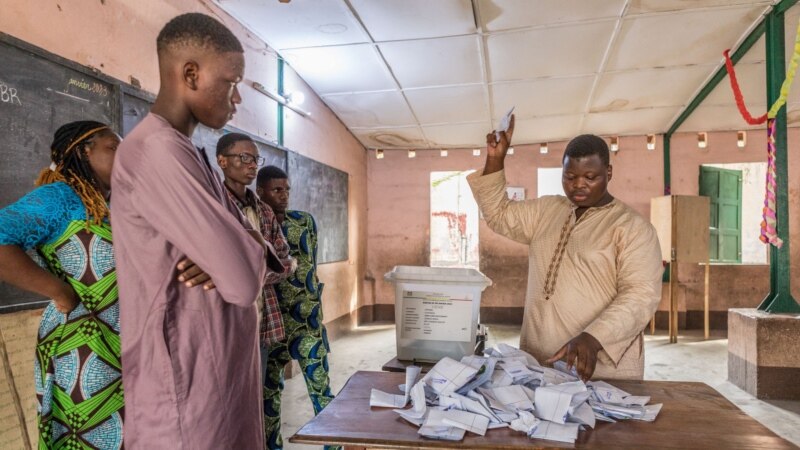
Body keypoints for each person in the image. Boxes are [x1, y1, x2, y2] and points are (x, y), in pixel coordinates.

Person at [111, 13, 283, 449]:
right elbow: (244, 282)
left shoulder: (192, 153)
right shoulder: (157, 152)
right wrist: (237, 254)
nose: (237, 97)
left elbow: (248, 256)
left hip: (216, 378)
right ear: (191, 74)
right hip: (186, 390)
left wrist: (236, 250)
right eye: (231, 82)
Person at [467, 116, 662, 381]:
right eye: (570, 176)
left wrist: (594, 338)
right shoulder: (548, 211)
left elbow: (641, 295)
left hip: (599, 368)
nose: (578, 185)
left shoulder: (632, 227)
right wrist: (495, 159)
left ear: (609, 173)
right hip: (539, 362)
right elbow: (499, 215)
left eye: (590, 177)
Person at [0, 121, 124, 449]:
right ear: (84, 151)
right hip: (82, 349)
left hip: (125, 343)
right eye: (114, 148)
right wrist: (59, 291)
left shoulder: (115, 204)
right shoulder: (60, 198)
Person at [257, 166, 338, 450]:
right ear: (260, 192)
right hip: (271, 328)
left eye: (287, 189)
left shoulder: (304, 222)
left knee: (321, 389)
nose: (284, 195)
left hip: (306, 324)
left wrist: (313, 304)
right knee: (268, 398)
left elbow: (311, 266)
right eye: (277, 190)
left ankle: (334, 445)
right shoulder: (253, 227)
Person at [216, 132, 295, 382]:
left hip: (260, 318)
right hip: (222, 318)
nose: (252, 164)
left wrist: (245, 274)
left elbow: (283, 261)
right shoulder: (211, 206)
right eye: (244, 157)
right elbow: (213, 265)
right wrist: (257, 270)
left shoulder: (263, 211)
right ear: (222, 161)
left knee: (254, 393)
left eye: (255, 159)